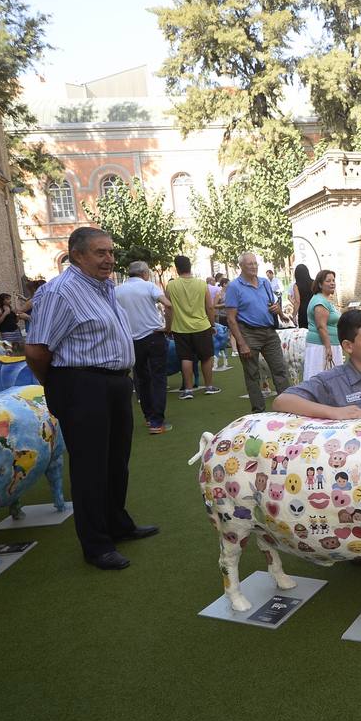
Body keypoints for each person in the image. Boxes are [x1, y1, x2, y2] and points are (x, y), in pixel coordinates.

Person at [25, 227, 159, 571]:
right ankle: (96, 545)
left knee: (117, 461)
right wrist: (57, 386)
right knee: (90, 467)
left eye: (111, 252)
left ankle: (117, 524)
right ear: (77, 255)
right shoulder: (60, 292)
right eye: (100, 253)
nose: (110, 259)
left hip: (114, 384)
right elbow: (37, 350)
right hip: (81, 385)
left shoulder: (104, 287)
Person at [225, 251, 292, 413]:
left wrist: (278, 310)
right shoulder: (234, 287)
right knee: (252, 375)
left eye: (255, 263)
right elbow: (231, 319)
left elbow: (272, 304)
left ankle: (288, 408)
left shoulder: (264, 282)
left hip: (269, 332)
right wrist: (242, 344)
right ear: (241, 266)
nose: (254, 267)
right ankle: (258, 412)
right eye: (250, 264)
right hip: (248, 334)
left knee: (280, 370)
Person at [115, 261, 174, 434]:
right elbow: (168, 305)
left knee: (140, 378)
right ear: (145, 273)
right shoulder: (149, 286)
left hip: (132, 339)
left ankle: (149, 417)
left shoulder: (117, 290)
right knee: (158, 378)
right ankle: (157, 421)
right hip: (154, 336)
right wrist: (168, 327)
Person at [165, 255, 219, 399]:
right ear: (190, 266)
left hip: (180, 328)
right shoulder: (202, 284)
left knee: (185, 358)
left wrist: (168, 327)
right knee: (207, 357)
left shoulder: (171, 285)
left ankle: (188, 390)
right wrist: (212, 324)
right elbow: (210, 307)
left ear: (177, 269)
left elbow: (168, 309)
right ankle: (209, 386)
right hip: (202, 326)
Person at [304, 269, 343, 377]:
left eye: (333, 280)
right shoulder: (320, 302)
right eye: (328, 281)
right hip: (321, 346)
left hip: (328, 344)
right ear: (320, 284)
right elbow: (321, 326)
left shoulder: (324, 300)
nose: (332, 283)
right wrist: (328, 347)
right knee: (320, 379)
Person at [289, 264, 313, 331]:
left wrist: (294, 315)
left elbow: (297, 301)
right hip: (314, 308)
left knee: (304, 331)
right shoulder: (314, 282)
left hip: (303, 311)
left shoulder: (296, 286)